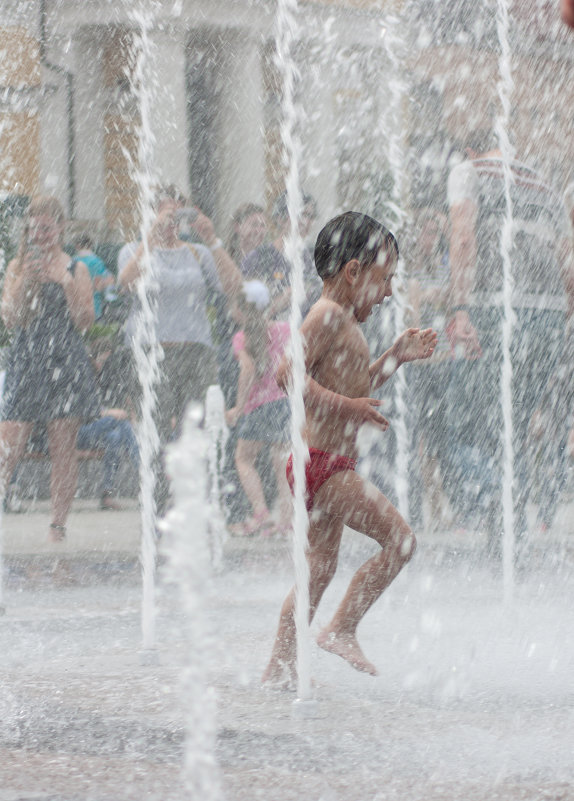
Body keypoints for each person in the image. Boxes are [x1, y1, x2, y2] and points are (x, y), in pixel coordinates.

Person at [262, 211, 437, 687]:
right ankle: (342, 627)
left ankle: (279, 669)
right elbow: (286, 374)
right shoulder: (327, 315)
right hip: (324, 465)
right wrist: (350, 407)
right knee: (400, 541)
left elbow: (358, 387)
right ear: (354, 271)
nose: (388, 293)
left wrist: (395, 357)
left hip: (320, 463)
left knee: (319, 568)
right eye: (385, 279)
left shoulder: (342, 322)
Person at [445, 133, 574, 549]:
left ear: (470, 149)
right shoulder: (545, 184)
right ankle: (509, 526)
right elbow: (568, 262)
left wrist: (459, 309)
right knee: (515, 425)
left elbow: (463, 238)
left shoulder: (470, 172)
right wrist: (562, 319)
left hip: (496, 309)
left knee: (461, 422)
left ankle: (495, 501)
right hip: (549, 316)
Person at [118, 185, 242, 513]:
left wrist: (212, 239)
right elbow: (126, 283)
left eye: (178, 213)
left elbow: (234, 287)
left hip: (195, 352)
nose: (172, 221)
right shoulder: (135, 249)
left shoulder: (198, 252)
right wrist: (152, 236)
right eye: (165, 213)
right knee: (154, 430)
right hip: (152, 353)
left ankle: (193, 501)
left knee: (195, 426)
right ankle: (155, 505)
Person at [0, 195, 100, 541]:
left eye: (46, 227)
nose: (40, 234)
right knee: (8, 438)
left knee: (62, 445)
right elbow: (11, 318)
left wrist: (65, 282)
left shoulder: (77, 268)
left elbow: (85, 321)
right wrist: (28, 280)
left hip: (64, 359)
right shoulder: (17, 266)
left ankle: (57, 525)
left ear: (59, 228)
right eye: (33, 228)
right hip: (28, 356)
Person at [225, 280, 291, 536]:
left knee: (243, 459)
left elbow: (248, 369)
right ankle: (286, 521)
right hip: (284, 403)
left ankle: (261, 513)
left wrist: (238, 408)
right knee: (282, 463)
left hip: (258, 406)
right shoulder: (285, 329)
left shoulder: (241, 338)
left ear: (241, 310)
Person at [76, 336, 139, 510]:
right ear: (94, 356)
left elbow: (122, 397)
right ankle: (143, 473)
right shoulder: (83, 375)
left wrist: (127, 414)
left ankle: (107, 493)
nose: (104, 364)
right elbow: (83, 412)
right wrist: (111, 413)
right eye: (102, 360)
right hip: (76, 432)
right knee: (119, 423)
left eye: (107, 360)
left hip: (95, 432)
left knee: (115, 437)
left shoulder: (104, 375)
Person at [241, 191, 321, 319]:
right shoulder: (259, 258)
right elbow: (242, 309)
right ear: (280, 219)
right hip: (270, 335)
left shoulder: (315, 260)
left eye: (310, 216)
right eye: (301, 214)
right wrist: (279, 303)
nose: (306, 222)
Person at [73, 233, 116, 320]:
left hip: (76, 309)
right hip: (94, 308)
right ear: (90, 245)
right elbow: (101, 287)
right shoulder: (97, 262)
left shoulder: (72, 261)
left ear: (77, 246)